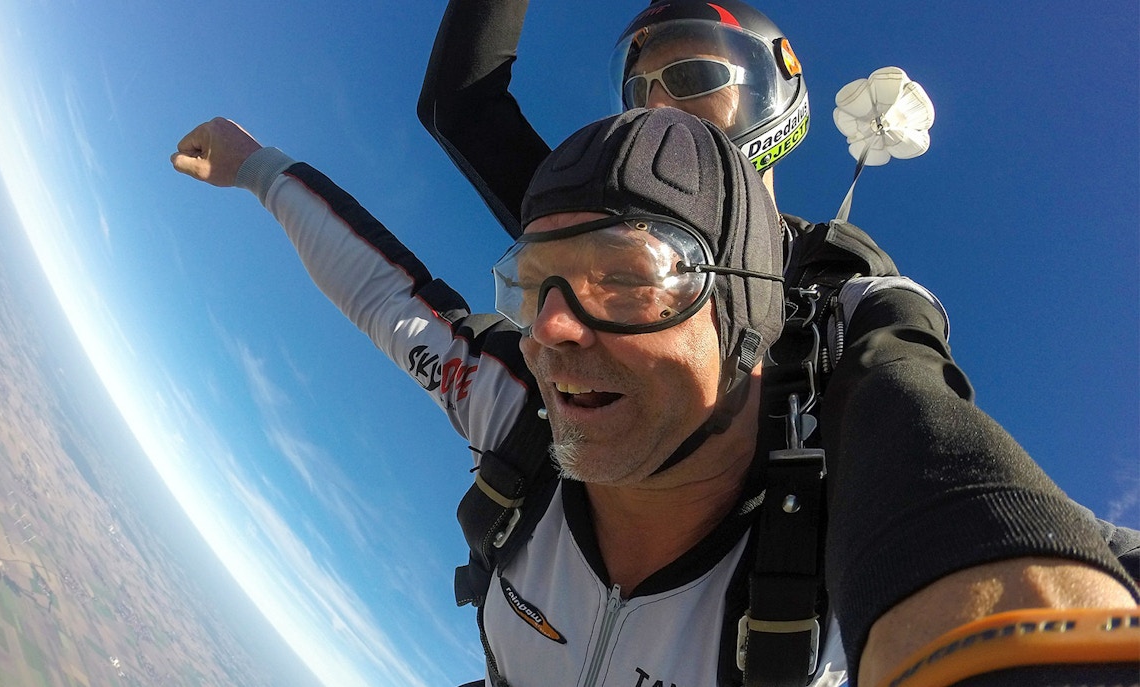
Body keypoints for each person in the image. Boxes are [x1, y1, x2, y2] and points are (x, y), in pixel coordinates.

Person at [171, 109, 1138, 687]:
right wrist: (259, 167)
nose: (553, 329)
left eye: (626, 280)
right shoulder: (515, 416)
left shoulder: (836, 556)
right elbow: (393, 300)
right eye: (537, 280)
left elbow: (1053, 568)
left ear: (746, 322)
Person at [417, 0, 1140, 682]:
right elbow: (461, 106)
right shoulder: (593, 234)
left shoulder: (840, 290)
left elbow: (910, 414)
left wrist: (996, 601)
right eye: (639, 92)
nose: (661, 104)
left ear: (775, 98)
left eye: (693, 78)